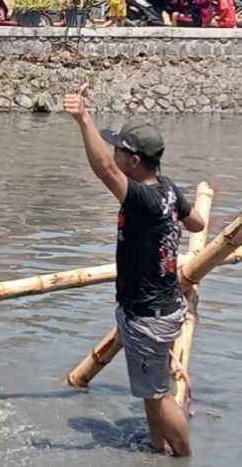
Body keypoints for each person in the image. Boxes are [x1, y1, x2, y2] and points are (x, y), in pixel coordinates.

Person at [64, 85, 204, 457]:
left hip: (149, 315)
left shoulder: (144, 198)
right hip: (161, 305)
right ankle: (158, 449)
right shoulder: (168, 189)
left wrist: (83, 118)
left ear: (135, 161)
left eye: (120, 150)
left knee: (157, 396)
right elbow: (197, 223)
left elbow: (104, 170)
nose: (114, 154)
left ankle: (184, 457)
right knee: (148, 389)